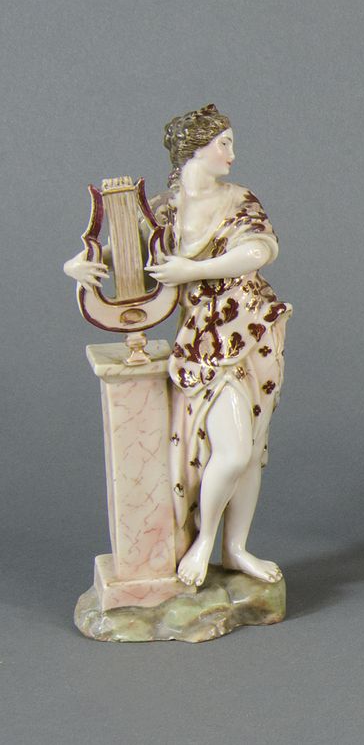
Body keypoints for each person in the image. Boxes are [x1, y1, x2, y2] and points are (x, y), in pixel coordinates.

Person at [65, 104, 290, 587]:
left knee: (251, 449)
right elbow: (122, 254)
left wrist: (193, 270)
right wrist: (77, 266)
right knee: (231, 452)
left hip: (252, 329)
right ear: (194, 149)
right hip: (203, 341)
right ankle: (204, 540)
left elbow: (259, 250)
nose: (232, 153)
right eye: (223, 143)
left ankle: (235, 549)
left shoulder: (239, 198)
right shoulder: (164, 211)